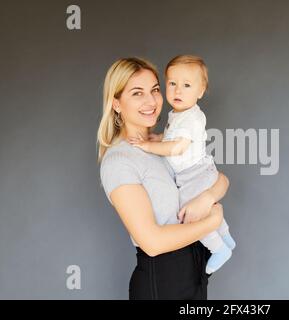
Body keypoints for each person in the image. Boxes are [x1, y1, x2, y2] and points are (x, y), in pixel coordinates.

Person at [97, 57, 230, 299]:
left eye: (155, 90)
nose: (151, 101)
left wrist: (207, 198)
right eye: (137, 93)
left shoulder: (165, 144)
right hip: (164, 281)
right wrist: (211, 222)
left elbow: (218, 178)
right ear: (116, 103)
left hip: (193, 269)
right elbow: (152, 242)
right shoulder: (119, 160)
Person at [128, 55, 236, 274]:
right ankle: (226, 236)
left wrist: (148, 147)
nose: (178, 91)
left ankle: (219, 248)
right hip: (199, 170)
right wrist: (158, 138)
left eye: (186, 85)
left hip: (193, 174)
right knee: (204, 209)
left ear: (200, 91)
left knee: (190, 215)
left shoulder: (191, 118)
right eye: (172, 84)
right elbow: (172, 137)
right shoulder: (179, 113)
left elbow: (177, 147)